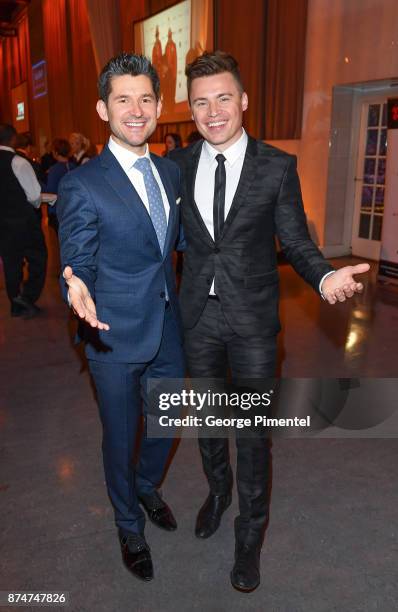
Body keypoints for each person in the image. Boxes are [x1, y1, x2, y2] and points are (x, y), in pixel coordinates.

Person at [170, 51, 370, 592]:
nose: (213, 112)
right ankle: (217, 492)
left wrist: (325, 278)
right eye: (201, 102)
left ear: (244, 101)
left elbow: (297, 240)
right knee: (210, 424)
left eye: (223, 99)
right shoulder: (179, 166)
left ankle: (248, 535)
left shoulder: (276, 166)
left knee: (253, 434)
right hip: (197, 319)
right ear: (191, 109)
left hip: (254, 324)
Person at [57, 53, 185, 583]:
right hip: (111, 335)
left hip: (169, 326)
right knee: (121, 434)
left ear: (158, 106)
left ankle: (147, 485)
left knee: (171, 420)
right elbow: (79, 255)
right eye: (123, 100)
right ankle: (128, 523)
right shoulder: (83, 184)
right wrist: (76, 283)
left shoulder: (171, 171)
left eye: (146, 99)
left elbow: (174, 248)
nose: (136, 111)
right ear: (103, 109)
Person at [0, 124, 47, 318]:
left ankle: (15, 302)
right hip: (24, 223)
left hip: (2, 224)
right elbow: (35, 195)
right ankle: (27, 297)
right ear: (13, 139)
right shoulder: (19, 162)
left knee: (11, 263)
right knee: (38, 259)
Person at [46, 138, 77, 233]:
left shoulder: (54, 170)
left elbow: (50, 190)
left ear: (55, 152)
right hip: (74, 208)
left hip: (59, 211)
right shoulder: (74, 166)